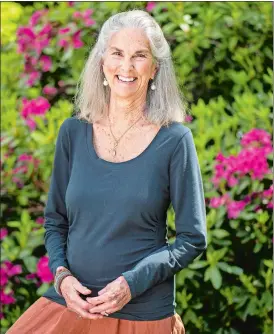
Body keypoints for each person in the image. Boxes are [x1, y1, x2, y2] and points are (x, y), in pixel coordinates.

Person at [7, 9, 207, 334]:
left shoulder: (174, 140)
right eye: (117, 53)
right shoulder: (72, 133)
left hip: (142, 317)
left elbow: (192, 238)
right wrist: (62, 277)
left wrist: (131, 283)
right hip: (72, 305)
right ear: (102, 61)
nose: (126, 67)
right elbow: (55, 221)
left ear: (155, 68)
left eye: (139, 56)